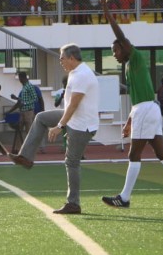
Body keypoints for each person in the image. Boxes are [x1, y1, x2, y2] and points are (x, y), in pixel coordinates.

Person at [101, 4, 163, 208]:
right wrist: (129, 122)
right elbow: (137, 99)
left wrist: (109, 17)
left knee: (134, 154)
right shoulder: (128, 67)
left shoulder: (134, 57)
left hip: (146, 109)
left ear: (124, 48)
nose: (114, 54)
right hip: (146, 109)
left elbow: (122, 36)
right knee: (162, 152)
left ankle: (124, 198)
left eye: (115, 50)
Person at [9, 44, 99, 215]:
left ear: (72, 58)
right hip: (74, 118)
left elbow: (74, 105)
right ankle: (26, 157)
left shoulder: (82, 75)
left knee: (72, 162)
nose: (60, 61)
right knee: (41, 117)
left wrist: (59, 126)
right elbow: (71, 107)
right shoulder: (76, 73)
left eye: (62, 58)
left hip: (81, 125)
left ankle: (74, 204)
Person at [5, 71, 38, 150]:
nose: (20, 80)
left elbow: (35, 98)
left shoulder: (29, 86)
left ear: (23, 78)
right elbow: (21, 101)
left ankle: (30, 149)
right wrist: (16, 98)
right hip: (22, 111)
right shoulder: (24, 87)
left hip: (29, 112)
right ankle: (18, 148)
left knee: (29, 131)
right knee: (18, 130)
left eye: (20, 78)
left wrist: (25, 103)